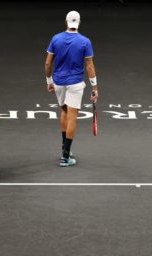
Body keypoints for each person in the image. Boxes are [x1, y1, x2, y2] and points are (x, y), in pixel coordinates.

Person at [45, 10, 99, 167]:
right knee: (72, 117)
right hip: (75, 83)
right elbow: (89, 65)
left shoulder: (56, 39)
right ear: (79, 22)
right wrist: (94, 86)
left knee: (64, 112)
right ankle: (66, 156)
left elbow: (48, 63)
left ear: (66, 21)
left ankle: (64, 148)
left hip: (59, 82)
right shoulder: (85, 41)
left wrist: (49, 81)